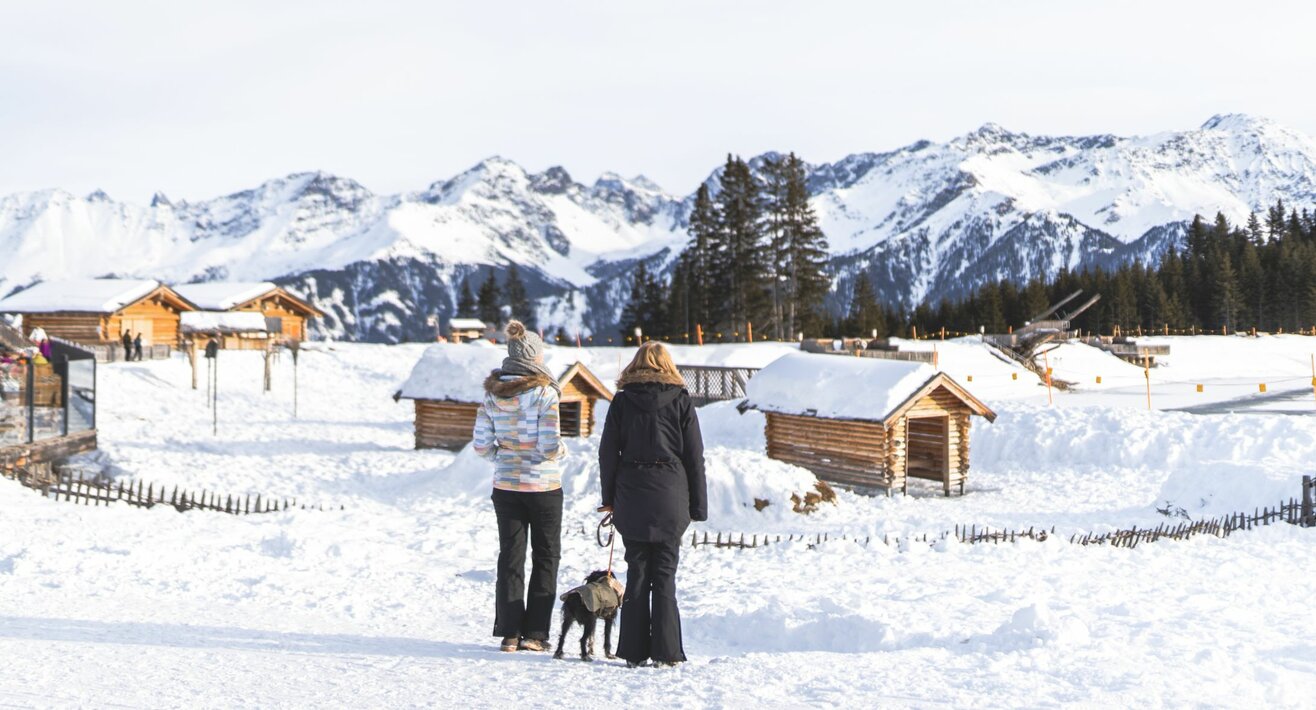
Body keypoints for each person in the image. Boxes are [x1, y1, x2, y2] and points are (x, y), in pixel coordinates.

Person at [599, 341, 706, 668]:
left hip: (631, 495)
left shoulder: (621, 401)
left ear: (635, 365)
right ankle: (667, 652)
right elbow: (694, 457)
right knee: (665, 576)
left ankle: (633, 652)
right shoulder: (682, 402)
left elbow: (607, 453)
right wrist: (698, 507)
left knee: (637, 574)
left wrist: (609, 499)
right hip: (671, 496)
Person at [473, 319, 566, 653]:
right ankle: (535, 634)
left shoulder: (491, 395)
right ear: (533, 357)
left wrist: (505, 455)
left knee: (510, 557)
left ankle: (509, 633)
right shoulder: (544, 393)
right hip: (543, 487)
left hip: (506, 485)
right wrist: (562, 451)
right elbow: (550, 445)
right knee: (546, 556)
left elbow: (481, 445)